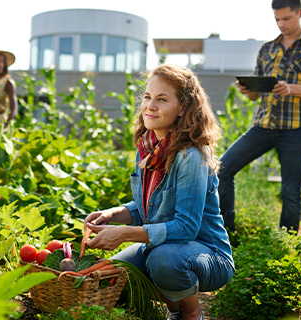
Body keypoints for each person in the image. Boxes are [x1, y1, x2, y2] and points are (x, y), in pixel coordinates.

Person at [84, 64, 234, 320]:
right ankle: (174, 305)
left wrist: (123, 235)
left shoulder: (191, 156)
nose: (150, 106)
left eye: (162, 99)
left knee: (162, 260)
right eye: (147, 97)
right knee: (113, 274)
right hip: (162, 247)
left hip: (207, 254)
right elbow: (147, 208)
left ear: (183, 108)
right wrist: (112, 215)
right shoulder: (147, 149)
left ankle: (190, 313)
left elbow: (185, 227)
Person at [218, 0, 301, 233]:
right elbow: (254, 96)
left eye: (287, 19)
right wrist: (248, 89)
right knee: (221, 169)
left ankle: (286, 242)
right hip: (263, 126)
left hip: (296, 130)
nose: (281, 24)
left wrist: (291, 88)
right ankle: (225, 233)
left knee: (290, 191)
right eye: (277, 20)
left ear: (300, 13)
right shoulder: (267, 48)